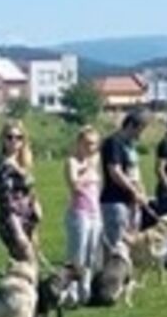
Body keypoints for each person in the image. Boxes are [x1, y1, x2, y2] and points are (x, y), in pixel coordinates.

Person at [98, 110, 151, 256]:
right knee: (115, 244)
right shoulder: (113, 143)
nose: (141, 133)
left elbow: (134, 170)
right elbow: (115, 172)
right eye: (141, 129)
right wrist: (134, 191)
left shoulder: (130, 145)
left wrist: (142, 191)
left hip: (132, 202)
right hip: (115, 200)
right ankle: (110, 276)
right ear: (131, 125)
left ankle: (126, 276)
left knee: (131, 242)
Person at [0, 119, 43, 263]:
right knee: (26, 265)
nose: (14, 141)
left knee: (32, 264)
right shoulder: (3, 167)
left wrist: (36, 204)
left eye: (19, 137)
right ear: (3, 139)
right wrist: (18, 231)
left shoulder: (22, 163)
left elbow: (29, 190)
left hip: (28, 219)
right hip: (12, 222)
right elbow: (6, 202)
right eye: (9, 137)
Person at [63, 126, 104, 301]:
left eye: (94, 144)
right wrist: (87, 168)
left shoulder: (96, 161)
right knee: (76, 254)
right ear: (79, 143)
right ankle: (70, 291)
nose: (91, 148)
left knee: (91, 253)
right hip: (79, 212)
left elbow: (98, 186)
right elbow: (74, 185)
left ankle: (85, 289)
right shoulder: (72, 162)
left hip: (95, 211)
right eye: (87, 144)